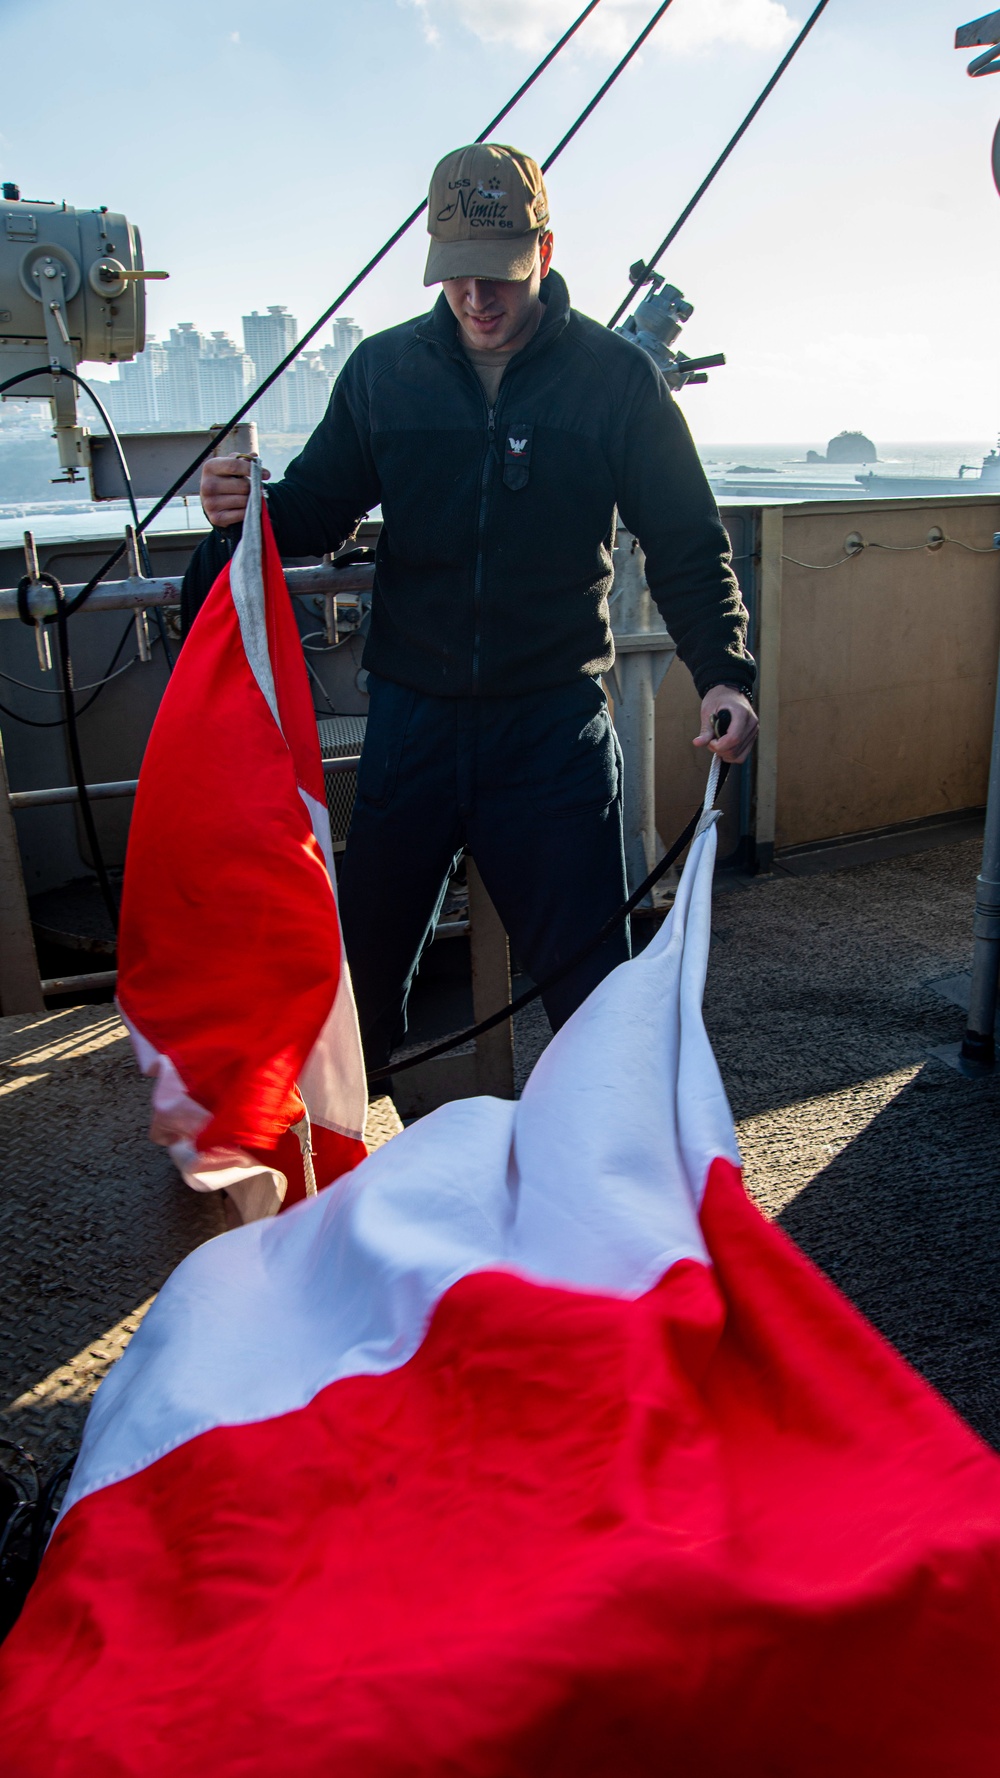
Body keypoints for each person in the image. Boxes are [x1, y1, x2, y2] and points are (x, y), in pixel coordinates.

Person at [199, 142, 758, 1070]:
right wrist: (243, 505)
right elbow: (311, 510)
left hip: (552, 730)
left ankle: (602, 1188)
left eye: (496, 274)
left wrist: (723, 677)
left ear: (543, 249)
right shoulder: (384, 373)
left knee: (591, 998)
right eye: (455, 274)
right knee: (360, 982)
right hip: (411, 722)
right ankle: (337, 1178)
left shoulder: (615, 378)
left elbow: (688, 543)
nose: (476, 299)